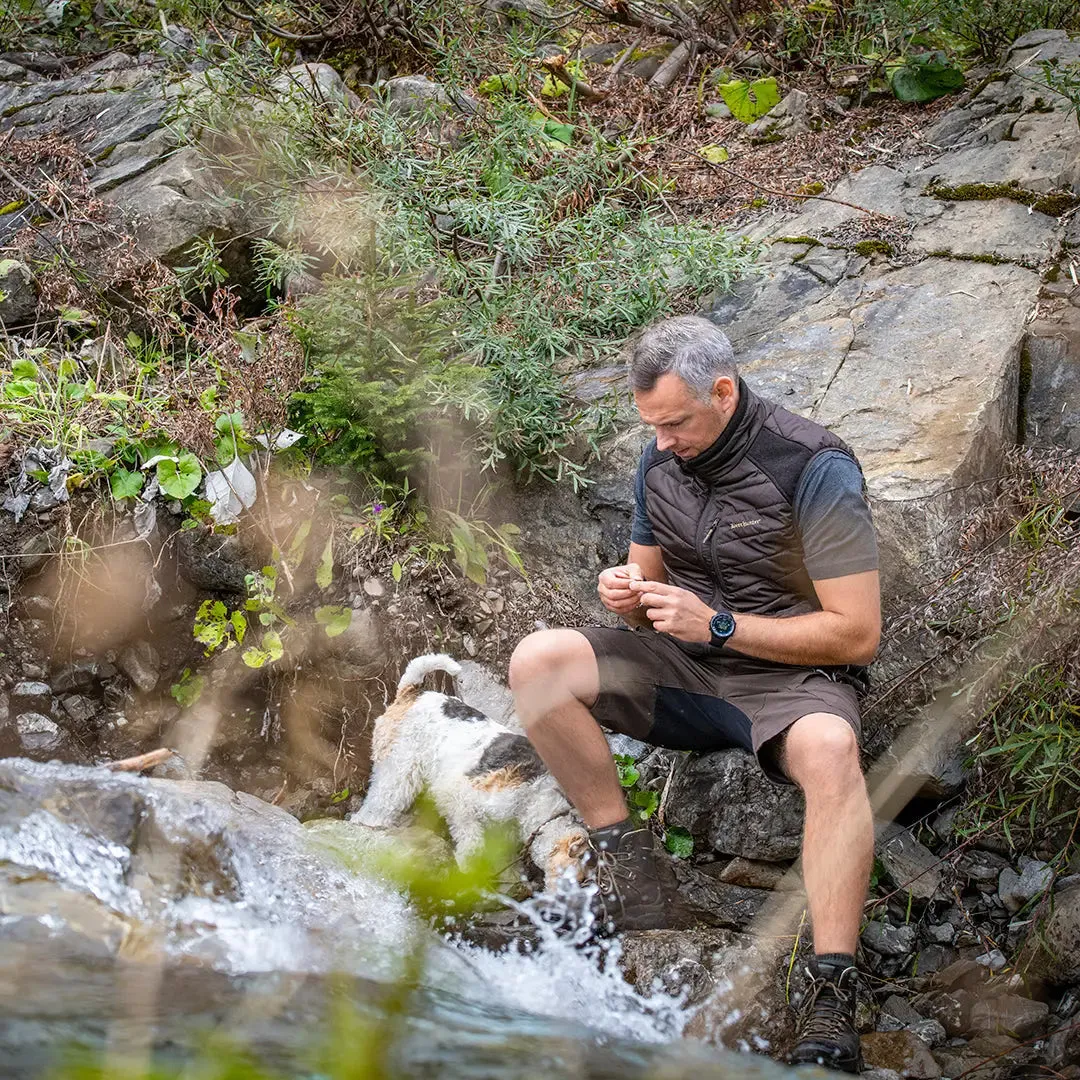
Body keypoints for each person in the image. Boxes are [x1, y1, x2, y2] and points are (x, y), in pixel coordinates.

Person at [508, 315, 881, 1073]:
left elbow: (856, 634)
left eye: (675, 423)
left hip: (793, 681)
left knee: (835, 749)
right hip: (687, 667)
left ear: (723, 389)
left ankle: (832, 987)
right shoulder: (661, 460)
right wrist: (624, 590)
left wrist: (717, 623)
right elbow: (646, 582)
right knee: (536, 661)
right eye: (652, 426)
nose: (663, 442)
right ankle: (634, 869)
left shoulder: (815, 465)